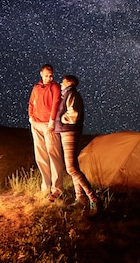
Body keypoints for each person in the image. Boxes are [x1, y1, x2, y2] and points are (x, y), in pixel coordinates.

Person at [54, 75, 100, 216]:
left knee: (71, 168)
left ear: (69, 82)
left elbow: (73, 114)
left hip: (70, 131)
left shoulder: (72, 94)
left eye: (63, 81)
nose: (61, 83)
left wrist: (61, 119)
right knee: (73, 166)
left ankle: (93, 198)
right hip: (67, 131)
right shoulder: (68, 94)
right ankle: (80, 199)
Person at [28, 64, 64, 201]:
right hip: (36, 124)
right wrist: (31, 117)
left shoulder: (55, 87)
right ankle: (45, 187)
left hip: (49, 125)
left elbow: (56, 103)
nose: (49, 78)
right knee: (40, 156)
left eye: (51, 75)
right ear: (41, 74)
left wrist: (52, 122)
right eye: (47, 75)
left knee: (54, 155)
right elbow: (31, 103)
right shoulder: (36, 88)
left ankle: (57, 190)